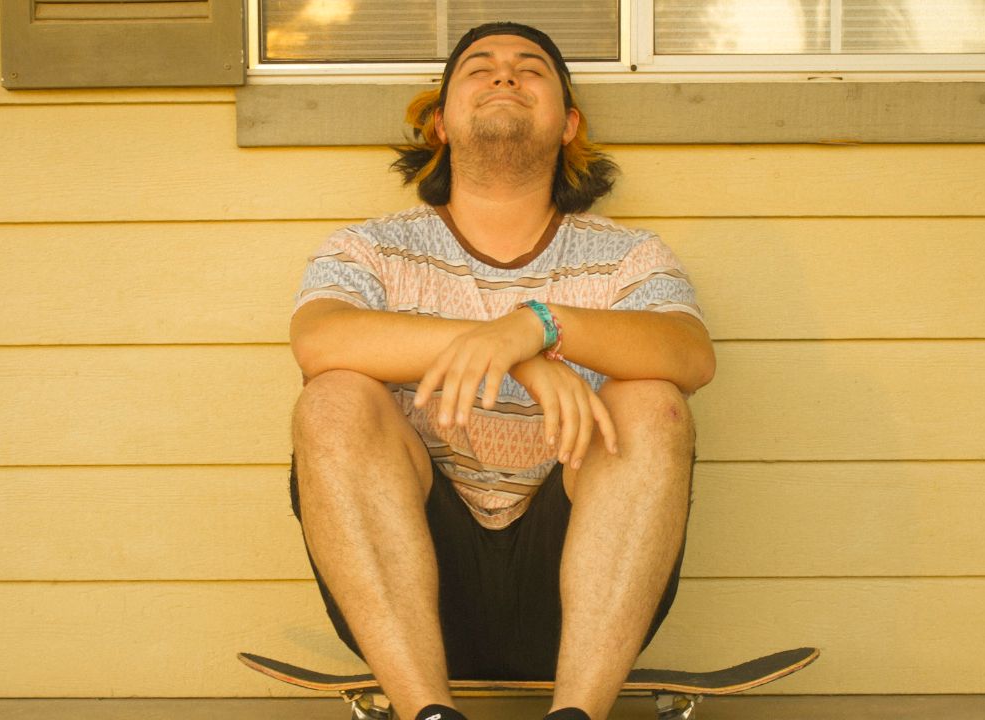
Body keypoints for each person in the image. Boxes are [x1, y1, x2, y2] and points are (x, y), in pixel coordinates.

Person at [286, 22, 715, 720]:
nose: (505, 74)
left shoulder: (629, 257)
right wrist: (515, 351)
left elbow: (691, 354)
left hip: (588, 610)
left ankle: (578, 715)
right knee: (333, 396)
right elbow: (318, 339)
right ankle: (426, 713)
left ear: (569, 125)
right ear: (440, 124)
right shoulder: (371, 249)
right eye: (479, 67)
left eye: (531, 68)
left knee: (652, 401)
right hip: (405, 603)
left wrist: (542, 324)